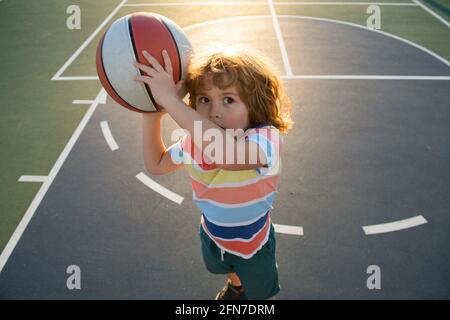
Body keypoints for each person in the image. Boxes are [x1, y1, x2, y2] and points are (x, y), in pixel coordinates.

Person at [135, 46, 293, 300]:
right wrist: (152, 112)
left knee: (262, 293)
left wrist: (171, 100)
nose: (214, 111)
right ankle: (236, 286)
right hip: (213, 234)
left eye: (228, 99)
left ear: (255, 105)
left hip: (254, 243)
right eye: (204, 99)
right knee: (226, 267)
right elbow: (157, 163)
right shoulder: (194, 143)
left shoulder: (265, 139)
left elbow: (226, 155)